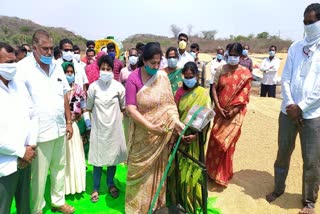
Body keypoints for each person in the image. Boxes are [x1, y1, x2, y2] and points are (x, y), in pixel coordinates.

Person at [266, 4, 320, 214]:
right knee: (283, 153)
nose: (307, 25)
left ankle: (309, 201)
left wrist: (302, 107)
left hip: (313, 115)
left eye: (312, 21)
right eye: (305, 21)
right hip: (287, 112)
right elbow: (286, 77)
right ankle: (278, 188)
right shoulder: (295, 47)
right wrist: (290, 104)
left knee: (312, 160)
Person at [16, 30, 75, 214]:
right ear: (34, 48)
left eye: (51, 48)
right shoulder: (22, 68)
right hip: (38, 133)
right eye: (45, 49)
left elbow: (64, 93)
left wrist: (68, 122)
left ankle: (58, 201)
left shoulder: (57, 66)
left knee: (59, 168)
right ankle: (37, 208)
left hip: (59, 128)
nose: (49, 52)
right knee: (39, 175)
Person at [125, 42, 185, 213]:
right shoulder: (133, 78)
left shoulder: (163, 77)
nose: (156, 66)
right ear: (144, 61)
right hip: (142, 135)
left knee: (157, 174)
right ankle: (136, 209)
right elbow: (130, 109)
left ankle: (155, 207)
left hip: (161, 136)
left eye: (159, 63)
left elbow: (169, 105)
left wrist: (176, 122)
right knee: (137, 173)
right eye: (153, 63)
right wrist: (150, 127)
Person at [206, 43, 252, 187]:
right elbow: (214, 88)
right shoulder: (221, 69)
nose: (232, 57)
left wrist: (233, 111)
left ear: (240, 56)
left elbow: (244, 96)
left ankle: (223, 175)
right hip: (219, 113)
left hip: (234, 115)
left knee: (227, 145)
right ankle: (211, 172)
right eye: (230, 54)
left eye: (235, 55)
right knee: (214, 141)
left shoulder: (245, 73)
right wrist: (218, 107)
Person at [169, 61, 211, 212]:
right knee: (178, 171)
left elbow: (207, 117)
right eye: (186, 77)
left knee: (193, 170)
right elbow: (173, 113)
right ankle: (179, 200)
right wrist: (178, 132)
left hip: (195, 140)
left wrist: (195, 135)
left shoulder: (203, 93)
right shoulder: (179, 93)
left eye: (191, 76)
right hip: (180, 138)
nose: (188, 79)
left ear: (197, 76)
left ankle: (194, 201)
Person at [0, 42, 37, 214]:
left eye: (14, 61)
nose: (13, 66)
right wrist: (20, 151)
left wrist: (30, 146)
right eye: (8, 63)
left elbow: (32, 114)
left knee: (24, 207)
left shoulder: (18, 85)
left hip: (25, 160)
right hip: (4, 165)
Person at [86, 55, 127, 202]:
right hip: (98, 130)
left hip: (114, 130)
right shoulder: (93, 87)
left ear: (112, 70)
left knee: (112, 159)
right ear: (99, 69)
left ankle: (110, 184)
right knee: (97, 159)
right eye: (102, 68)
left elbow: (123, 107)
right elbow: (89, 107)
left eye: (108, 69)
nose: (105, 71)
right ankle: (95, 187)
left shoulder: (119, 87)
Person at [61, 62, 86, 196]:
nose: (69, 74)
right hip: (60, 127)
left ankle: (77, 186)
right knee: (64, 157)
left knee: (76, 154)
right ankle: (64, 187)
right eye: (67, 72)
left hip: (74, 126)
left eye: (72, 72)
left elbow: (83, 106)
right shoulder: (58, 89)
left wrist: (79, 114)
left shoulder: (78, 89)